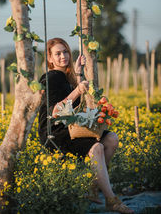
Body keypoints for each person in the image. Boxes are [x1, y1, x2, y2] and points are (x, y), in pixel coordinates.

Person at [38, 38, 134, 214]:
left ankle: (92, 186)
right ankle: (111, 200)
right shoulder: (50, 77)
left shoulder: (65, 78)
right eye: (57, 54)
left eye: (65, 51)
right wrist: (78, 90)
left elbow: (76, 101)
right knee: (96, 147)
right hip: (55, 132)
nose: (63, 56)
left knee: (111, 139)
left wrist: (78, 73)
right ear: (50, 59)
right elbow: (55, 112)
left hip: (71, 128)